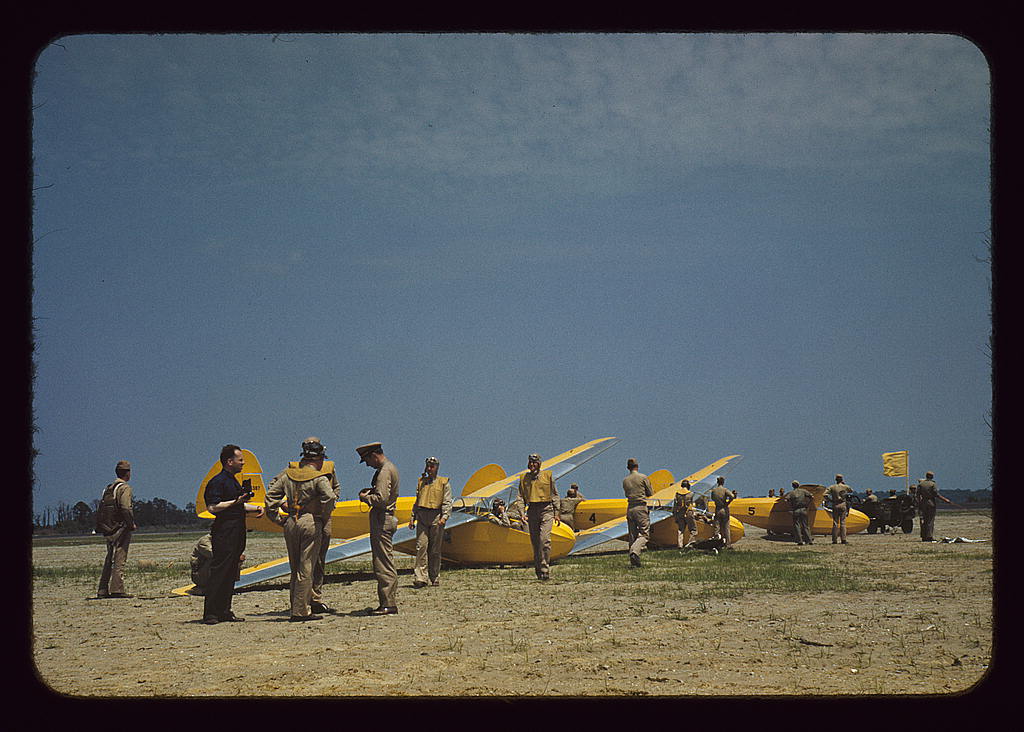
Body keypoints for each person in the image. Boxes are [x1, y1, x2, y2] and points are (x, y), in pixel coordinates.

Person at [265, 437, 339, 621]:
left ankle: (295, 607)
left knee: (295, 566)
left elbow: (270, 497)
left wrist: (276, 518)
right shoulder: (319, 478)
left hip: (291, 522)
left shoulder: (288, 476)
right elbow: (330, 497)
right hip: (310, 521)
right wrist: (323, 514)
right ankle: (302, 611)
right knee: (307, 567)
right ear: (319, 459)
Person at [202, 445, 265, 624]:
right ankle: (211, 613)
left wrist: (256, 508)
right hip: (224, 531)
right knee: (220, 571)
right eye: (240, 460)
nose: (243, 463)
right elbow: (213, 507)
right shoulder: (218, 482)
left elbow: (239, 505)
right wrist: (236, 501)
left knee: (231, 572)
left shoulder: (233, 481)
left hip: (237, 530)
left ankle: (225, 611)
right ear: (230, 462)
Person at [357, 442, 400, 615]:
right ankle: (387, 602)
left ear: (374, 455)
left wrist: (365, 498)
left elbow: (381, 499)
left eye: (367, 460)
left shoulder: (384, 472)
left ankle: (388, 603)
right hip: (385, 519)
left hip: (382, 519)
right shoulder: (390, 468)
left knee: (383, 563)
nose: (367, 464)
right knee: (384, 560)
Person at [409, 456, 453, 588]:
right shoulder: (421, 482)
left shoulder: (443, 482)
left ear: (437, 468)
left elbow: (447, 501)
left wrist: (444, 517)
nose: (429, 469)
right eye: (428, 466)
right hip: (422, 516)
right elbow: (417, 500)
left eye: (432, 466)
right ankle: (420, 577)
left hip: (436, 517)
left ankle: (434, 577)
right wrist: (412, 517)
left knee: (434, 549)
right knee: (421, 547)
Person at [96, 460, 137, 598]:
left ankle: (102, 589)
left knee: (109, 558)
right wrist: (131, 524)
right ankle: (117, 589)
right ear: (128, 473)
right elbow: (126, 508)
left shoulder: (109, 488)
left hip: (107, 528)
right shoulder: (124, 488)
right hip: (120, 528)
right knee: (119, 558)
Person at [518, 453, 561, 581]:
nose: (532, 465)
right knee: (536, 543)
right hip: (532, 510)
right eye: (530, 462)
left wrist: (557, 512)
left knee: (544, 540)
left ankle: (545, 569)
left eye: (535, 462)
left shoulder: (548, 476)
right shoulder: (523, 478)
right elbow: (520, 497)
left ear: (539, 463)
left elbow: (555, 494)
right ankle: (538, 571)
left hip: (546, 509)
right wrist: (521, 513)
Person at [622, 458, 653, 567]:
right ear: (637, 466)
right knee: (644, 534)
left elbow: (626, 494)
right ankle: (635, 552)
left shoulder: (625, 480)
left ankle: (633, 560)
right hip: (640, 507)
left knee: (632, 535)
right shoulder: (643, 477)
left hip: (630, 508)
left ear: (628, 467)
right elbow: (650, 492)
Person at [915, 471, 951, 542]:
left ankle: (924, 536)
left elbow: (917, 495)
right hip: (931, 503)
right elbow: (936, 494)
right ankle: (929, 536)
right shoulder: (933, 484)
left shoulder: (921, 484)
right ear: (932, 476)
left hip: (923, 503)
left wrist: (919, 503)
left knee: (924, 520)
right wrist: (945, 500)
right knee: (930, 520)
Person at [826, 474, 853, 545]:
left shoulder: (832, 487)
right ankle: (843, 539)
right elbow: (851, 490)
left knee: (835, 523)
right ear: (842, 479)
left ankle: (834, 540)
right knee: (843, 523)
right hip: (843, 504)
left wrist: (830, 500)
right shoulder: (845, 487)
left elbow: (825, 494)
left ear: (835, 479)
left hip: (835, 504)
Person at [710, 476, 736, 549]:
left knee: (717, 527)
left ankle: (716, 543)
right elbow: (732, 496)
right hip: (724, 509)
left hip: (717, 509)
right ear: (723, 482)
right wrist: (728, 502)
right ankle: (728, 544)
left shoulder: (714, 490)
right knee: (726, 528)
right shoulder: (725, 490)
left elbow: (712, 498)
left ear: (717, 482)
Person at [671, 480, 697, 548]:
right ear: (688, 486)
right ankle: (690, 543)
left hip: (680, 513)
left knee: (680, 530)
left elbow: (675, 505)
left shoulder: (677, 494)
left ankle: (680, 545)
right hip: (688, 513)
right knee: (693, 529)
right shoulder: (691, 494)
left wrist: (675, 514)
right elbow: (692, 505)